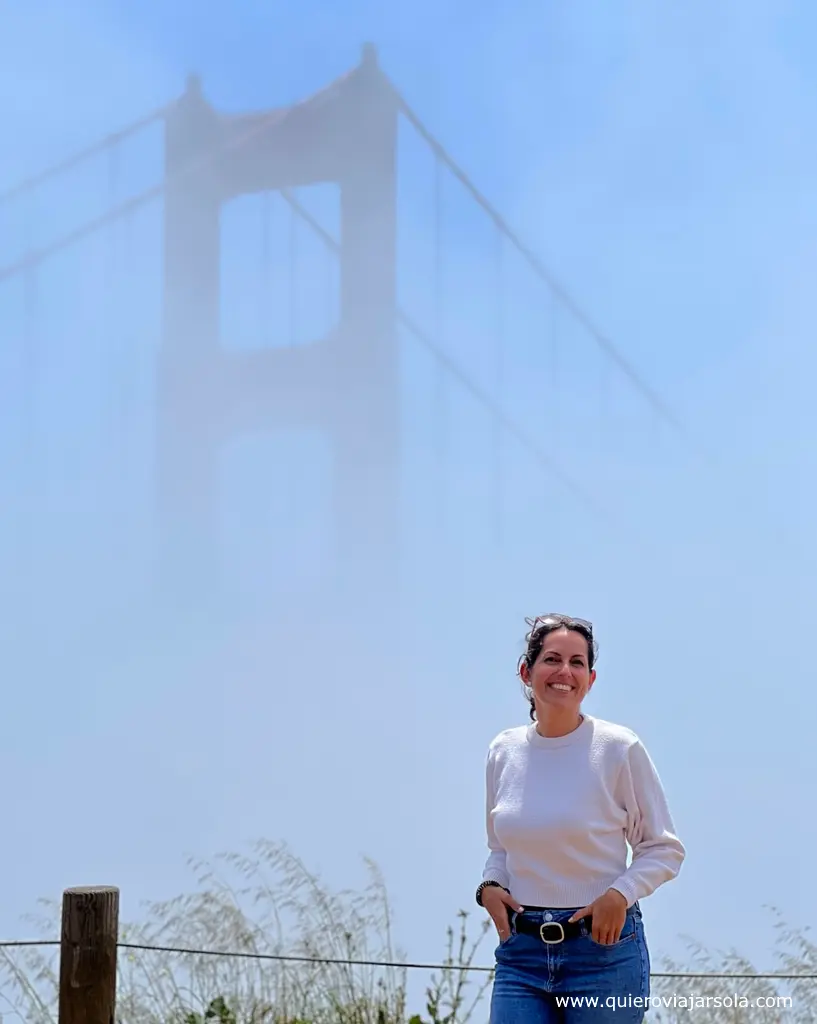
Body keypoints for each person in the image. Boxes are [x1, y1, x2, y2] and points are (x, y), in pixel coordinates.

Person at [478, 613, 685, 1023]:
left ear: (590, 680)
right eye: (552, 659)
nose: (565, 672)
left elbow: (663, 850)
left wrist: (619, 895)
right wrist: (489, 886)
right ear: (526, 671)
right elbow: (500, 847)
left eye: (577, 663)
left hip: (603, 955)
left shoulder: (619, 748)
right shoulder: (503, 751)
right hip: (521, 955)